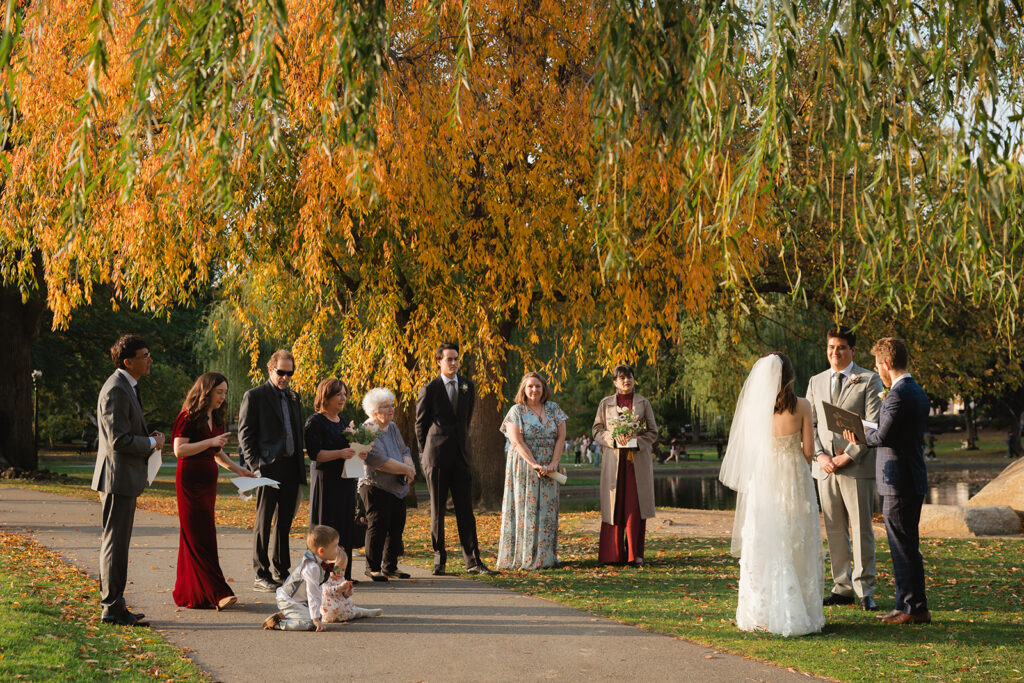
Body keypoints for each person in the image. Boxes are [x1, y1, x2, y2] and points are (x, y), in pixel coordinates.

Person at [720, 353, 824, 637]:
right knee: (796, 538)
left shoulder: (757, 409)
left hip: (764, 479)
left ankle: (761, 612)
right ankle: (799, 610)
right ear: (790, 376)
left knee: (765, 538)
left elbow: (750, 450)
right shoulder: (803, 405)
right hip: (793, 478)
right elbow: (807, 451)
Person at [845, 337, 932, 625]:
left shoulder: (897, 394)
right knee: (904, 544)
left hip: (899, 480)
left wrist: (859, 435)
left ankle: (914, 608)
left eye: (876, 365)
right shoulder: (915, 391)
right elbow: (894, 431)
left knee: (903, 545)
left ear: (885, 364)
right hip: (909, 477)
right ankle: (904, 605)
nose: (876, 370)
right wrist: (873, 429)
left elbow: (883, 436)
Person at [805, 326, 884, 611]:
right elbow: (810, 424)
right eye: (830, 347)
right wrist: (820, 456)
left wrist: (847, 456)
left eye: (840, 347)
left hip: (856, 467)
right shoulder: (815, 381)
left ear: (852, 350)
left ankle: (865, 590)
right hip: (825, 468)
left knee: (862, 529)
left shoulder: (869, 380)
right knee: (835, 529)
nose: (834, 352)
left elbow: (873, 426)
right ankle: (842, 587)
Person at [91, 335, 164, 626]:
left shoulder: (128, 387)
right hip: (117, 478)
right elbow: (118, 440)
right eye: (145, 355)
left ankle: (114, 603)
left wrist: (150, 440)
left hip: (124, 477)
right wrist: (150, 442)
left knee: (117, 543)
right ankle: (112, 607)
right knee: (115, 543)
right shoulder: (116, 390)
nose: (150, 360)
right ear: (127, 361)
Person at [172, 373, 256, 610]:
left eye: (225, 393)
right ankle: (218, 592)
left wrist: (239, 470)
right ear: (206, 391)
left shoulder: (216, 418)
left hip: (208, 485)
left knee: (200, 535)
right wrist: (209, 443)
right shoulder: (188, 415)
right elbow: (180, 450)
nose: (222, 397)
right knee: (199, 536)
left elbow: (218, 453)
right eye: (219, 392)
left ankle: (189, 592)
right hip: (189, 482)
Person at [415, 342, 497, 576]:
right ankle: (439, 560)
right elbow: (420, 424)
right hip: (436, 457)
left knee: (466, 510)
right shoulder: (429, 389)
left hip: (461, 456)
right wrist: (424, 455)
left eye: (456, 359)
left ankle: (473, 561)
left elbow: (466, 419)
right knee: (438, 511)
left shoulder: (467, 386)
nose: (453, 363)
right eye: (448, 359)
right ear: (438, 361)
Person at [238, 349, 306, 592]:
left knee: (284, 522)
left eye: (290, 373)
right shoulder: (255, 396)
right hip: (267, 466)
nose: (286, 377)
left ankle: (282, 569)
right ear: (270, 370)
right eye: (281, 372)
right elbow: (245, 433)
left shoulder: (293, 397)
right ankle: (260, 572)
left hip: (291, 466)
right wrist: (255, 465)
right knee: (264, 520)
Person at [497, 373, 568, 570]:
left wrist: (554, 462)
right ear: (524, 389)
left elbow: (561, 437)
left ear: (544, 388)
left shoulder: (554, 409)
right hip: (524, 465)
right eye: (530, 386)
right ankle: (525, 556)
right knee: (525, 509)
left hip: (550, 465)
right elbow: (516, 441)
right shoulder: (516, 411)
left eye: (537, 386)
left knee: (547, 510)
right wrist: (534, 464)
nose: (534, 390)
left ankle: (546, 557)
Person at [592, 364, 659, 567]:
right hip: (614, 462)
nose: (626, 381)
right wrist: (613, 438)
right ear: (615, 382)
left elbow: (653, 432)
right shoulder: (605, 404)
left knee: (634, 506)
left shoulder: (643, 403)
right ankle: (612, 555)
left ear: (633, 379)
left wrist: (636, 440)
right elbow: (596, 430)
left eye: (629, 377)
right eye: (621, 378)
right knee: (614, 506)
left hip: (636, 462)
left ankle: (635, 555)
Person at [262, 525, 374, 631]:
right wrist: (315, 618)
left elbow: (319, 589)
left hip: (300, 601)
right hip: (289, 601)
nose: (338, 549)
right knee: (309, 624)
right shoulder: (311, 567)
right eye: (335, 546)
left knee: (315, 617)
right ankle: (277, 623)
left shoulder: (320, 561)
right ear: (321, 551)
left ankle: (291, 615)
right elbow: (313, 593)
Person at [358, 388, 417, 581]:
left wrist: (409, 465)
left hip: (396, 486)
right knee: (378, 525)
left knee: (396, 525)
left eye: (391, 405)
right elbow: (379, 461)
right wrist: (407, 470)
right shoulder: (367, 430)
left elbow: (404, 449)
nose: (391, 409)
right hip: (374, 485)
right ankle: (372, 567)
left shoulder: (392, 427)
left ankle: (390, 566)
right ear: (374, 411)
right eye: (385, 406)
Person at [304, 378, 359, 581]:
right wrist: (340, 453)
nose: (343, 398)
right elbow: (315, 454)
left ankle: (341, 574)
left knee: (344, 525)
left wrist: (359, 452)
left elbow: (350, 450)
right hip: (326, 481)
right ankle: (323, 574)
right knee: (326, 527)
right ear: (325, 397)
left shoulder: (344, 422)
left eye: (345, 394)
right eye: (338, 394)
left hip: (344, 480)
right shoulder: (315, 422)